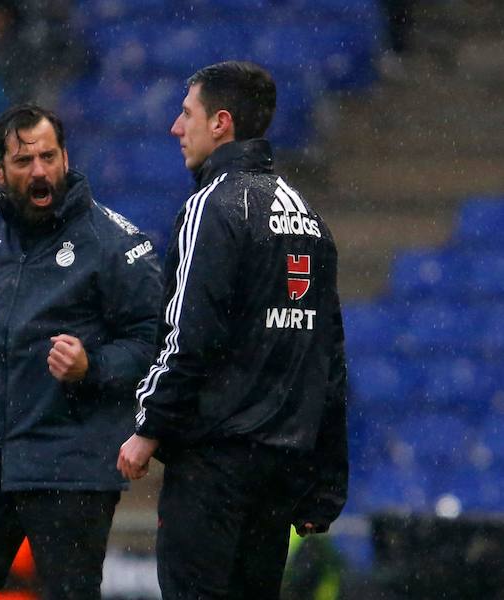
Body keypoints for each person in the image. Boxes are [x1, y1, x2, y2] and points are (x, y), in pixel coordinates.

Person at [116, 61, 348, 599]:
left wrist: (148, 425)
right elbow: (327, 359)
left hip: (214, 464)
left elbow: (189, 334)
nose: (176, 127)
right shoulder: (309, 217)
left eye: (186, 113)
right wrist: (325, 484)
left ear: (221, 123)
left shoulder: (212, 206)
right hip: (278, 467)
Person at [0, 104, 162, 599]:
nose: (39, 171)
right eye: (24, 161)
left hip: (72, 463)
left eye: (49, 157)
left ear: (65, 158)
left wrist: (91, 367)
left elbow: (156, 346)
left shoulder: (114, 243)